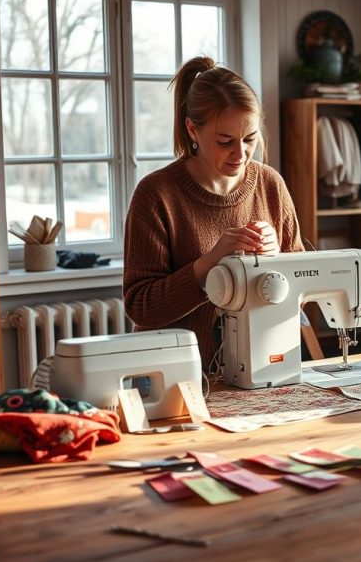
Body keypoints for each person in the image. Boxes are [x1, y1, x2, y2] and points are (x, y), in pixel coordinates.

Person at [123, 56, 304, 370]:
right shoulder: (156, 195)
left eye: (250, 139)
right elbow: (140, 306)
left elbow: (304, 284)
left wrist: (279, 262)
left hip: (261, 368)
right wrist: (208, 264)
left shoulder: (270, 184)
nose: (241, 153)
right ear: (192, 130)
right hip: (175, 374)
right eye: (225, 142)